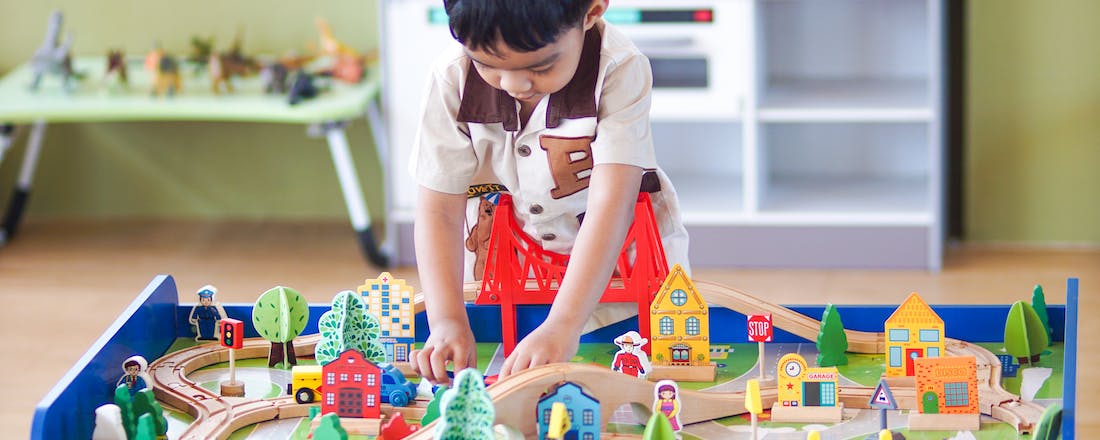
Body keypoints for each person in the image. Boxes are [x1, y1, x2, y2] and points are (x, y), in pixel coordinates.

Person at [410, 0, 689, 384]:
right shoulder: (451, 76)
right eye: (487, 64)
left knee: (632, 357)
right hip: (515, 261)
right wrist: (447, 320)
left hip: (620, 255)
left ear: (591, 12)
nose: (512, 84)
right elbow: (439, 209)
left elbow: (612, 204)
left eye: (539, 67)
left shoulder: (619, 67)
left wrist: (563, 324)